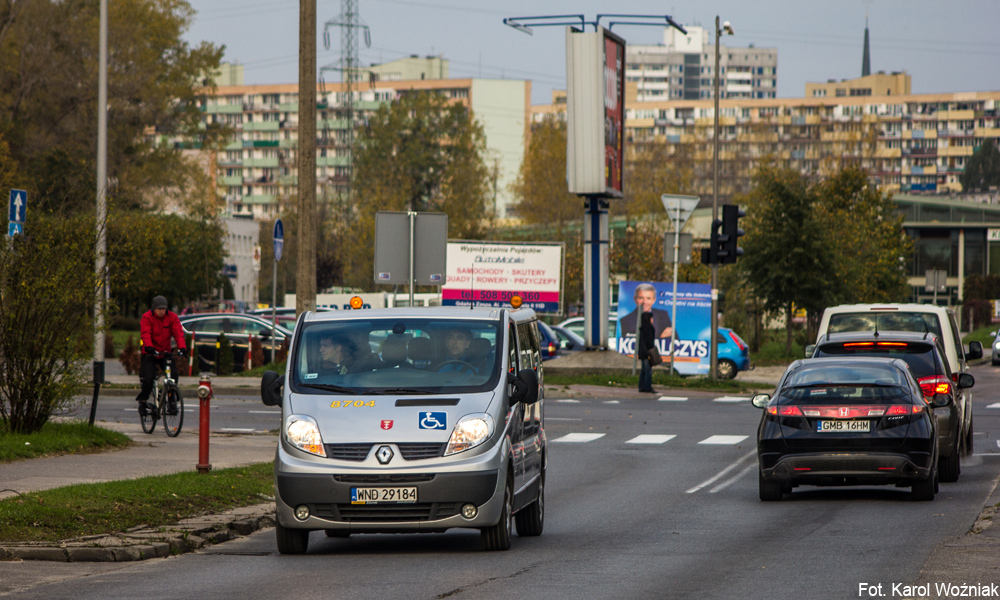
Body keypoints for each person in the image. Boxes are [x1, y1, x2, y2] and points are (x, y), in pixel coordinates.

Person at [137, 296, 187, 416]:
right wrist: (149, 347)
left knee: (173, 374)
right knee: (148, 378)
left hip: (165, 352)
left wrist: (182, 348)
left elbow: (178, 333)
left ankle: (172, 401)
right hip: (150, 353)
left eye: (164, 309)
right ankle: (143, 401)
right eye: (159, 309)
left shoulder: (172, 317)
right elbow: (146, 333)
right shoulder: (147, 317)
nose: (161, 311)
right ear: (154, 308)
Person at [636, 312, 656, 393]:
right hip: (647, 353)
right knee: (648, 370)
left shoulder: (642, 328)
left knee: (643, 370)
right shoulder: (649, 328)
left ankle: (642, 386)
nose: (652, 320)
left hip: (642, 353)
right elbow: (649, 342)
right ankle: (647, 387)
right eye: (651, 318)